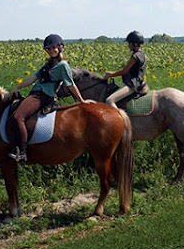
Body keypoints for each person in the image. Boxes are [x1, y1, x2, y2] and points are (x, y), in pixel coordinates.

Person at [8, 34, 91, 163]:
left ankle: (22, 152)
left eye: (54, 48)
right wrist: (17, 87)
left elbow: (70, 84)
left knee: (18, 117)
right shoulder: (48, 64)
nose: (52, 51)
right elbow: (33, 78)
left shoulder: (63, 65)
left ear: (60, 47)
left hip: (42, 96)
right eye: (49, 49)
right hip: (34, 93)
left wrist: (82, 101)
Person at [103, 30, 148, 108]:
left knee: (109, 100)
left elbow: (124, 71)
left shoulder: (136, 56)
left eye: (129, 43)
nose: (128, 45)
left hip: (133, 85)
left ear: (135, 44)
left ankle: (119, 119)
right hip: (138, 82)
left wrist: (111, 74)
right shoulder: (143, 54)